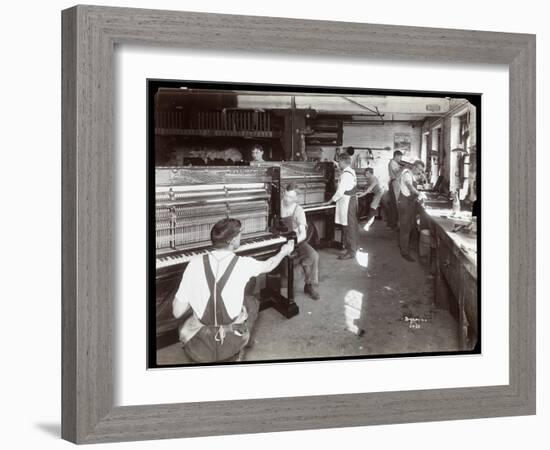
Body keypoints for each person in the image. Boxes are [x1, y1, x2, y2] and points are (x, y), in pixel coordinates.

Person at [172, 218, 294, 363]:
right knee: (252, 301)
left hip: (198, 346)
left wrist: (198, 295)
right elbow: (269, 265)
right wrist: (284, 251)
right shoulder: (243, 264)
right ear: (231, 241)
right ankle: (240, 346)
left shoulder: (194, 264)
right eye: (240, 234)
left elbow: (176, 312)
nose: (241, 237)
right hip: (231, 343)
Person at [280, 183, 320, 300]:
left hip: (296, 241)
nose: (287, 199)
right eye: (286, 196)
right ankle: (301, 268)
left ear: (296, 198)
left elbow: (303, 233)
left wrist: (294, 241)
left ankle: (308, 285)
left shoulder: (299, 210)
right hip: (279, 241)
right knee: (287, 274)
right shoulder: (278, 205)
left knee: (313, 255)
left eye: (291, 197)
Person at [323, 152, 358, 260]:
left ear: (343, 161)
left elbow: (340, 191)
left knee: (349, 228)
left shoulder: (346, 174)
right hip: (350, 201)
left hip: (347, 203)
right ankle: (350, 248)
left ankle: (351, 252)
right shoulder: (350, 171)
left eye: (339, 162)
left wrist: (330, 201)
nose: (338, 164)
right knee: (349, 226)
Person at [397, 160, 426, 262]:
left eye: (421, 171)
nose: (420, 172)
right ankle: (404, 252)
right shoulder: (407, 174)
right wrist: (419, 194)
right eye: (419, 170)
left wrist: (422, 178)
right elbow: (409, 186)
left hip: (409, 203)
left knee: (409, 226)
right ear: (414, 167)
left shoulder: (412, 174)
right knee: (405, 227)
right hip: (404, 203)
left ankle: (404, 245)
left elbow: (413, 185)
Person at [360, 167, 385, 231]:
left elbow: (369, 189)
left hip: (379, 194)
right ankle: (368, 223)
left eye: (367, 173)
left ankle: (367, 225)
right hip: (376, 194)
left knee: (373, 209)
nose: (366, 174)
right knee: (372, 208)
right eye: (365, 173)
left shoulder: (373, 178)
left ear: (371, 173)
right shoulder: (370, 178)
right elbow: (367, 186)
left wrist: (360, 195)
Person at [387, 150, 404, 229]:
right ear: (396, 156)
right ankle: (392, 225)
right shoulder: (392, 163)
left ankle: (392, 224)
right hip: (394, 184)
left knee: (394, 205)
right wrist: (403, 168)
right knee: (394, 205)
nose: (401, 159)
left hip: (395, 184)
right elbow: (397, 174)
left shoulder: (395, 163)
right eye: (400, 157)